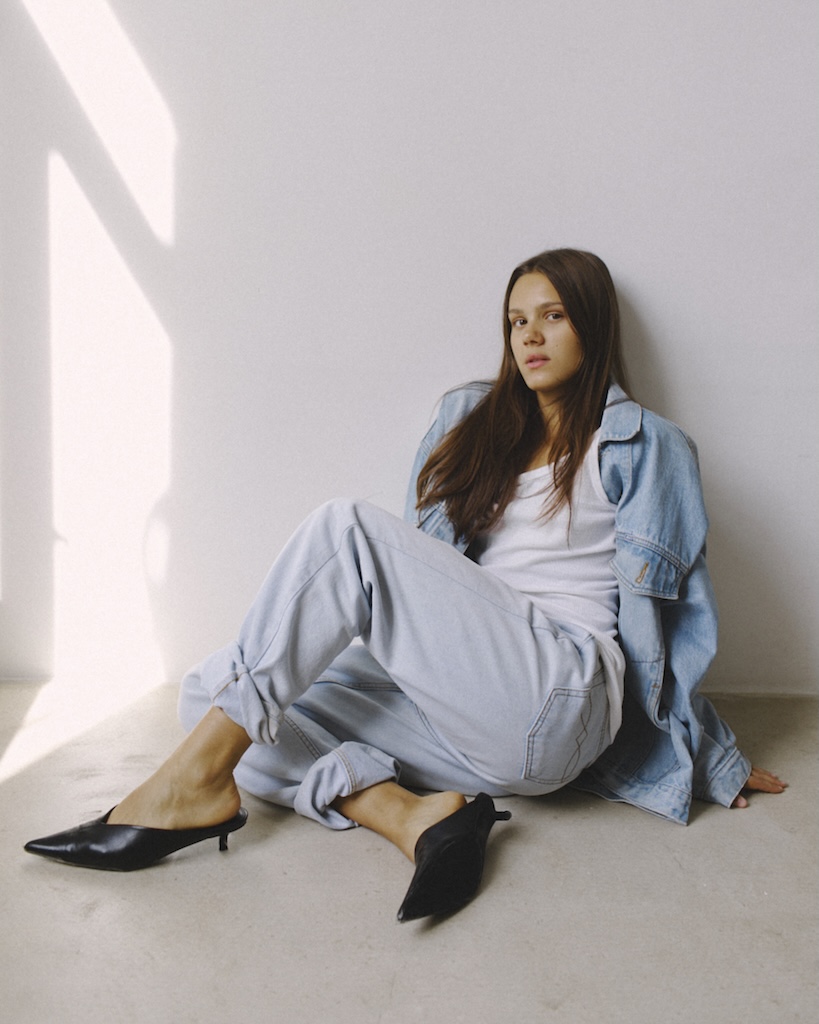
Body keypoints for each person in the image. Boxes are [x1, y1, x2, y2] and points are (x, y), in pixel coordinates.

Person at [24, 248, 786, 921]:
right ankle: (409, 817)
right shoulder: (471, 422)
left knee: (346, 530)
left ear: (593, 324)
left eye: (552, 316)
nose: (529, 336)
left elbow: (672, 620)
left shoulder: (645, 444)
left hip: (560, 692)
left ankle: (188, 787)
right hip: (471, 718)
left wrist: (708, 755)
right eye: (516, 321)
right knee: (208, 689)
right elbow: (428, 588)